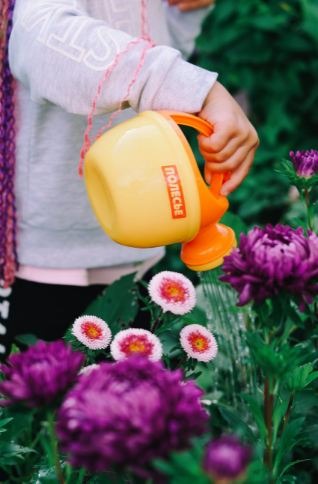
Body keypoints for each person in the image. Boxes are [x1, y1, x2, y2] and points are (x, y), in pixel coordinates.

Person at [0, 0, 259, 359]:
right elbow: (40, 38)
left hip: (135, 233)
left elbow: (144, 65)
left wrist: (182, 14)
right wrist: (192, 89)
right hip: (44, 257)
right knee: (42, 405)